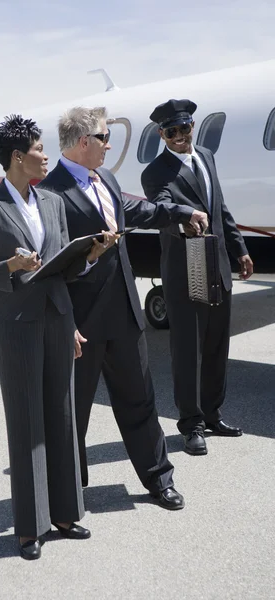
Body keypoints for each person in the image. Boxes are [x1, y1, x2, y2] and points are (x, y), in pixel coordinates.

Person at [38, 106, 208, 510]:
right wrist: (91, 258)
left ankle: (158, 479)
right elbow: (50, 264)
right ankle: (68, 493)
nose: (109, 144)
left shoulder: (106, 178)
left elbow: (136, 210)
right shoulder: (50, 192)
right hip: (80, 323)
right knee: (72, 414)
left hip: (124, 315)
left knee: (140, 401)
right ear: (83, 142)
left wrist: (180, 213)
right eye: (103, 137)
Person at [0, 115, 116, 560]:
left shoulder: (51, 202)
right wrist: (9, 268)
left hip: (57, 318)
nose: (46, 155)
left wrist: (91, 255)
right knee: (28, 422)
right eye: (38, 148)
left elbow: (65, 269)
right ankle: (29, 528)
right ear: (17, 157)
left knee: (62, 418)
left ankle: (66, 514)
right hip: (16, 326)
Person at [141, 98, 254, 456]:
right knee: (188, 351)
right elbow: (160, 210)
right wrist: (185, 214)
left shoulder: (206, 156)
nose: (178, 136)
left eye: (184, 128)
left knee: (217, 346)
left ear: (193, 126)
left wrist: (240, 250)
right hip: (185, 269)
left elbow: (220, 208)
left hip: (217, 264)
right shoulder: (155, 172)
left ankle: (212, 414)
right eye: (170, 132)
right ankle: (190, 425)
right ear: (162, 135)